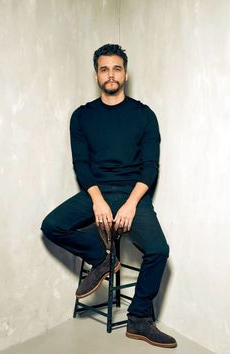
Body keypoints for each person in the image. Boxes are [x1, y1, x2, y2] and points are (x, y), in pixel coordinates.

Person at [41, 44, 177, 348]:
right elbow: (82, 165)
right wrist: (98, 199)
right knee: (51, 225)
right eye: (104, 69)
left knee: (159, 250)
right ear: (96, 75)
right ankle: (101, 259)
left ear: (125, 74)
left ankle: (140, 318)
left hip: (133, 194)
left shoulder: (144, 115)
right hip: (96, 192)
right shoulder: (82, 116)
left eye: (117, 68)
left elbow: (150, 167)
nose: (111, 74)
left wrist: (131, 204)